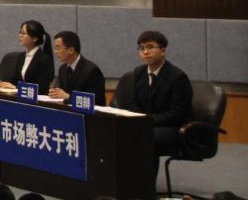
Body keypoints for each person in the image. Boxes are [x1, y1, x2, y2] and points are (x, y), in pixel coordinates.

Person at [119, 30, 193, 179]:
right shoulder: (139, 72)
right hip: (147, 124)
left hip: (172, 128)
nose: (145, 52)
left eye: (150, 47)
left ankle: (146, 187)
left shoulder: (177, 77)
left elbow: (177, 113)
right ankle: (125, 183)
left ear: (163, 51)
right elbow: (134, 103)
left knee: (146, 137)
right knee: (120, 133)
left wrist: (148, 121)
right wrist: (140, 120)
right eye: (141, 48)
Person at [0, 20, 54, 94]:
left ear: (34, 38)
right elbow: (15, 81)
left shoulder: (44, 59)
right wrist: (1, 83)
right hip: (20, 96)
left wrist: (16, 87)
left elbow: (41, 88)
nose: (20, 35)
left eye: (23, 33)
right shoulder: (21, 56)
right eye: (20, 32)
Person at [48, 30, 106, 106]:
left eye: (58, 48)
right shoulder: (62, 69)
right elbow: (60, 93)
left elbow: (96, 101)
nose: (55, 52)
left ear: (71, 50)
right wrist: (54, 93)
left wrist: (69, 97)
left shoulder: (91, 71)